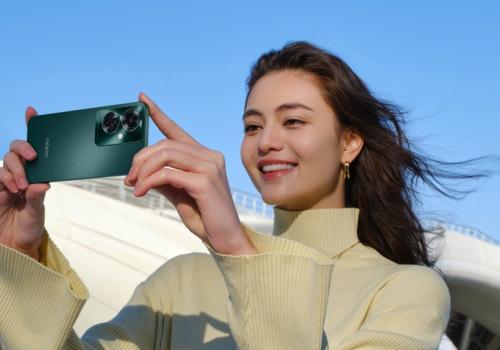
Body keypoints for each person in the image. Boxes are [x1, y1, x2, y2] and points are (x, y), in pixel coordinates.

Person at [0, 41, 490, 350]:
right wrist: (20, 251)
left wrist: (236, 246)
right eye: (252, 126)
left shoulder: (405, 291)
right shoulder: (180, 280)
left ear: (349, 142)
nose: (266, 141)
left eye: (293, 121)